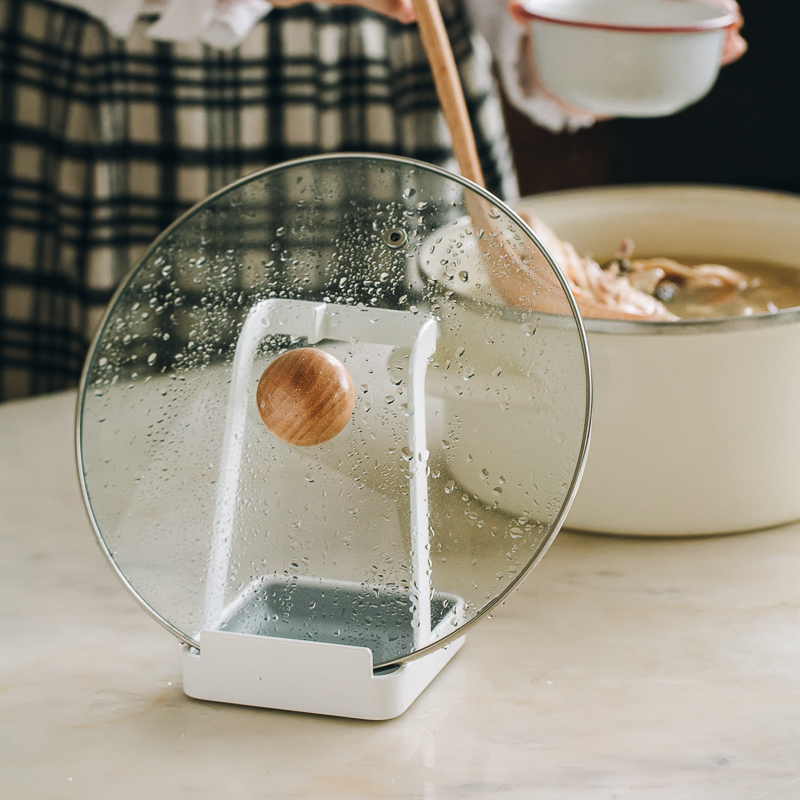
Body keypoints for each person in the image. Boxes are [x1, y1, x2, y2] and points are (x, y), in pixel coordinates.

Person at [0, 0, 743, 400]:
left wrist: (580, 40)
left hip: (399, 74)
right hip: (145, 81)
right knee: (138, 442)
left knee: (421, 445)